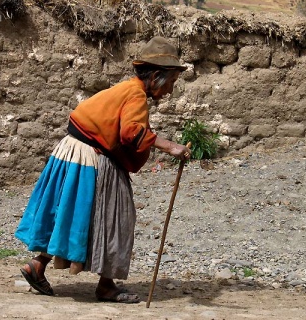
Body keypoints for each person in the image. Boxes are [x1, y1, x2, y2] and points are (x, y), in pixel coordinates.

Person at [15, 36, 191, 303]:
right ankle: (106, 286)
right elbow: (131, 132)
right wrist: (170, 146)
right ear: (156, 76)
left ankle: (38, 265)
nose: (170, 91)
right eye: (171, 83)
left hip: (71, 151)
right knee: (118, 215)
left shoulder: (124, 89)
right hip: (88, 156)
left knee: (68, 211)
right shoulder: (135, 95)